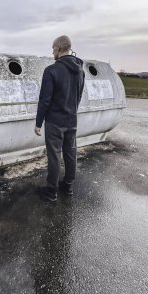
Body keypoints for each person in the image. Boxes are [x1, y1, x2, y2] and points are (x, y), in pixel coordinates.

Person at [35, 35, 85, 202]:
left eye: (53, 48)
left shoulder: (52, 70)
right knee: (71, 153)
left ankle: (51, 191)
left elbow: (45, 99)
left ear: (59, 48)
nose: (52, 51)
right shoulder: (81, 70)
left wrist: (38, 123)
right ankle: (68, 186)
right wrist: (71, 112)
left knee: (54, 155)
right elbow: (78, 96)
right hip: (72, 119)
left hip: (55, 122)